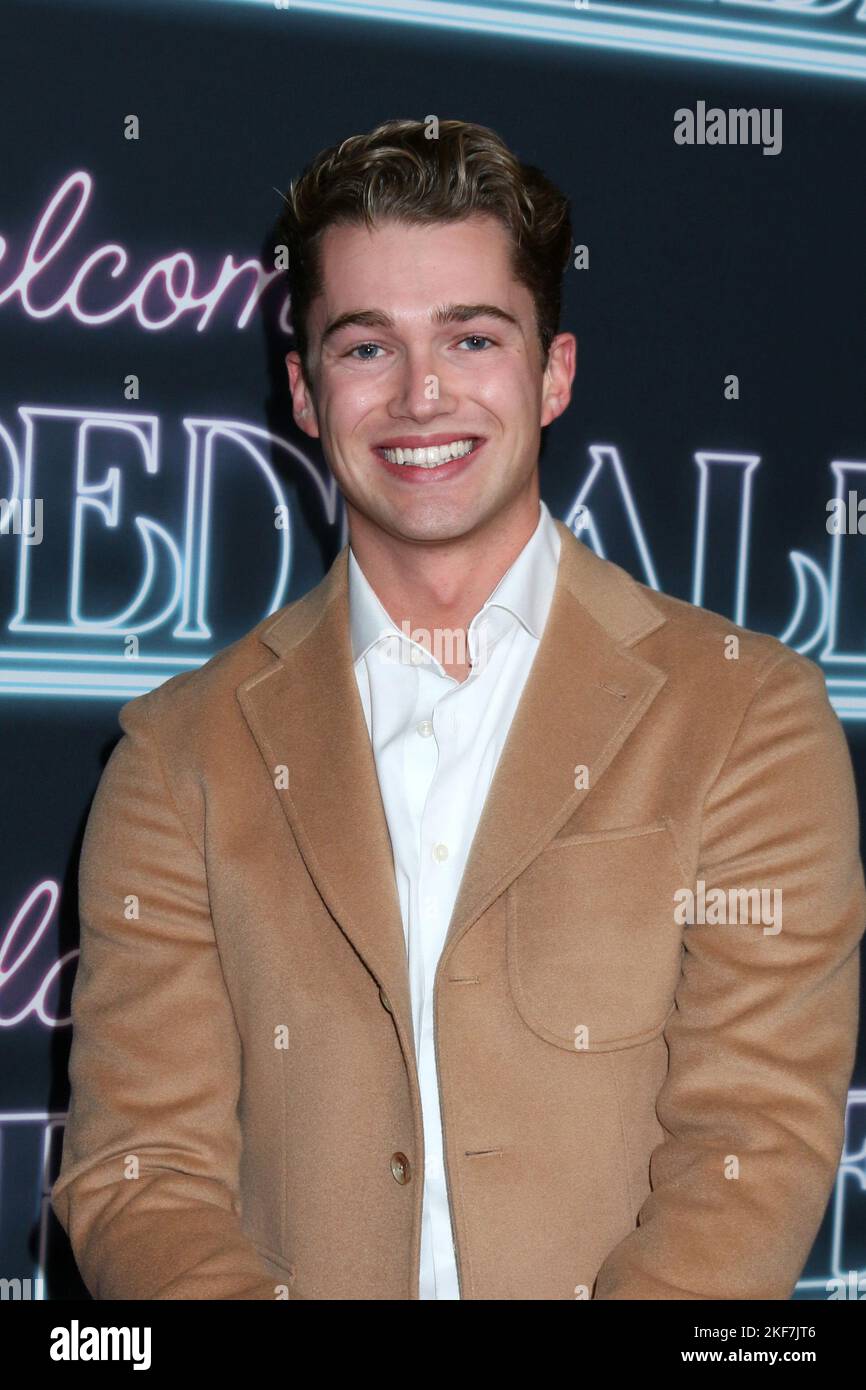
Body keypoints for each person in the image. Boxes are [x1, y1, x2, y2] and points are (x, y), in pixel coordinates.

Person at [51, 118, 865, 1300]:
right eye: (365, 346)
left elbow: (751, 1152)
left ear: (552, 373)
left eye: (471, 338)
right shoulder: (179, 754)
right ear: (302, 390)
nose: (420, 397)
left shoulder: (745, 717)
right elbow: (141, 1171)